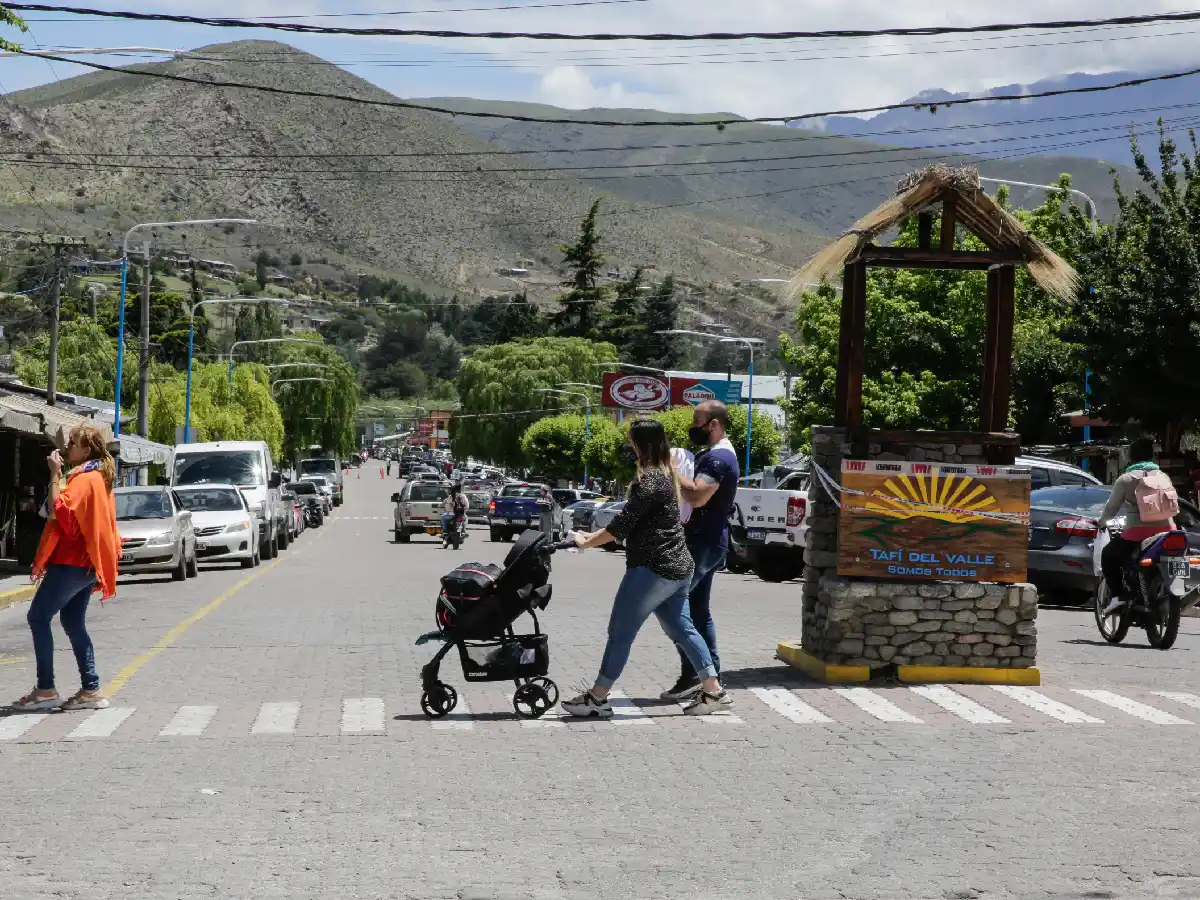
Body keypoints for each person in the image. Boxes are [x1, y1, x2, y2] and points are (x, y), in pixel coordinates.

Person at [561, 418, 730, 718]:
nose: (628, 446)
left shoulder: (649, 481)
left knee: (620, 631)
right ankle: (713, 690)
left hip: (653, 568)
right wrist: (590, 538)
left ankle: (597, 698)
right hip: (679, 568)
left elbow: (622, 526)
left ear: (641, 445)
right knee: (682, 628)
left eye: (631, 441)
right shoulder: (667, 476)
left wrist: (585, 543)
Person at [12, 425, 120, 711]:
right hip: (86, 564)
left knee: (37, 617)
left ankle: (46, 689)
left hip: (71, 562)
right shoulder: (98, 476)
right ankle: (91, 689)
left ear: (87, 450)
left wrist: (55, 474)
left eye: (73, 443)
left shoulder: (84, 479)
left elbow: (60, 512)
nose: (68, 447)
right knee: (73, 623)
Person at [662, 400, 741, 700]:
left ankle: (706, 678)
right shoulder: (710, 454)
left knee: (672, 606)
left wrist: (670, 470)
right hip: (704, 540)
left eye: (697, 420)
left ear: (714, 425)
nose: (692, 425)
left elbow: (697, 496)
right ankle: (699, 676)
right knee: (696, 611)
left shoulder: (719, 458)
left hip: (704, 543)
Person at [1098, 438, 1178, 612]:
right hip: (1168, 531)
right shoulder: (1164, 476)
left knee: (1108, 556)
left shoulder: (1126, 479)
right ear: (1152, 456)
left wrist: (1101, 522)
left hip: (1137, 533)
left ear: (1131, 457)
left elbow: (1111, 507)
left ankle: (1118, 596)